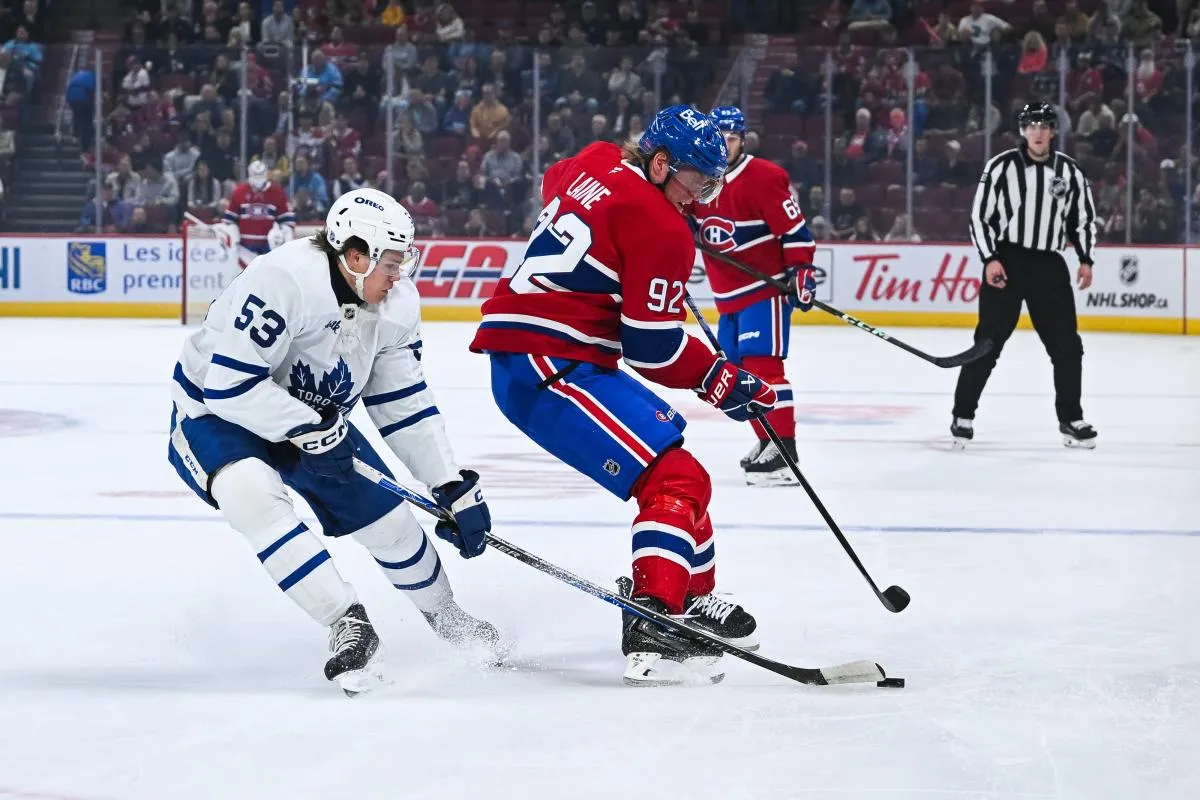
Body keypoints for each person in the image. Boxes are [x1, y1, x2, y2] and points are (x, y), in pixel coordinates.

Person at [469, 105, 777, 687]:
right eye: (696, 181)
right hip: (551, 362)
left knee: (683, 473)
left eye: (714, 183)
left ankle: (691, 598)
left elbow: (557, 179)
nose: (704, 197)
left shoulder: (598, 158)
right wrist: (722, 379)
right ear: (660, 163)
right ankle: (653, 616)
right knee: (676, 481)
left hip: (540, 353)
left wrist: (623, 258)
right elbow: (653, 348)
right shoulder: (661, 229)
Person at [168, 188, 500, 695]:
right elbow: (229, 387)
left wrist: (447, 481)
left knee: (388, 519)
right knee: (252, 496)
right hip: (218, 415)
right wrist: (308, 426)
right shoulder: (284, 280)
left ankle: (446, 616)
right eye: (390, 263)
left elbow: (402, 400)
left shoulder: (396, 303)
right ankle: (347, 622)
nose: (399, 276)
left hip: (317, 418)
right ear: (354, 255)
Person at [957, 101, 1098, 449]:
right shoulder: (1001, 167)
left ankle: (1071, 418)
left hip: (1049, 265)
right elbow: (980, 217)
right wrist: (990, 259)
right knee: (988, 344)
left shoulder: (1069, 171)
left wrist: (1085, 258)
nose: (1038, 131)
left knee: (1067, 346)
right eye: (1031, 125)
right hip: (1007, 261)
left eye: (1044, 125)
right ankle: (963, 414)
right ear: (1023, 130)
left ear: (1052, 131)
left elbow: (1081, 219)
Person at [690, 106, 817, 485]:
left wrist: (802, 273)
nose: (724, 145)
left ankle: (784, 450)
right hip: (726, 296)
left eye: (730, 138)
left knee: (765, 367)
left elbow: (795, 232)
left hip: (765, 290)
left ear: (743, 139)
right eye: (718, 138)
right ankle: (766, 439)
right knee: (739, 371)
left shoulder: (764, 177)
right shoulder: (699, 177)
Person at [221, 160, 295, 268]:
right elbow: (229, 221)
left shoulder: (277, 193)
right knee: (246, 280)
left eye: (260, 174)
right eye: (255, 175)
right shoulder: (239, 192)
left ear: (266, 174)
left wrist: (284, 239)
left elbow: (287, 222)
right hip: (245, 247)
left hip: (269, 247)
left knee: (268, 280)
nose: (258, 178)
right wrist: (234, 239)